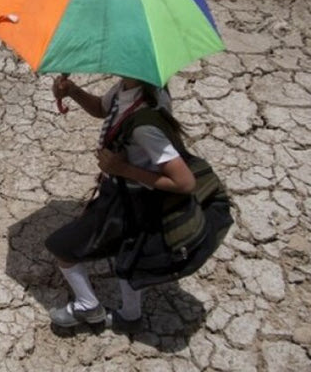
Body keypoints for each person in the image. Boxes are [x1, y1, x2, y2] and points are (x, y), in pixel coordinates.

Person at [45, 74, 197, 332]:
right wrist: (72, 91)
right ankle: (130, 315)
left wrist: (123, 168)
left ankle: (87, 304)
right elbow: (102, 109)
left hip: (127, 199)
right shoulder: (134, 88)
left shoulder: (144, 126)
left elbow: (184, 183)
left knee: (62, 248)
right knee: (128, 253)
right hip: (131, 195)